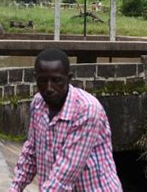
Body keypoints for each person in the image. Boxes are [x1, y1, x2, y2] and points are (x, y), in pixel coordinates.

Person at [10, 48, 122, 191]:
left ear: (69, 79)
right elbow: (30, 154)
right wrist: (14, 188)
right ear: (35, 78)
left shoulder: (87, 110)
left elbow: (64, 174)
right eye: (43, 81)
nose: (49, 88)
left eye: (56, 80)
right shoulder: (38, 104)